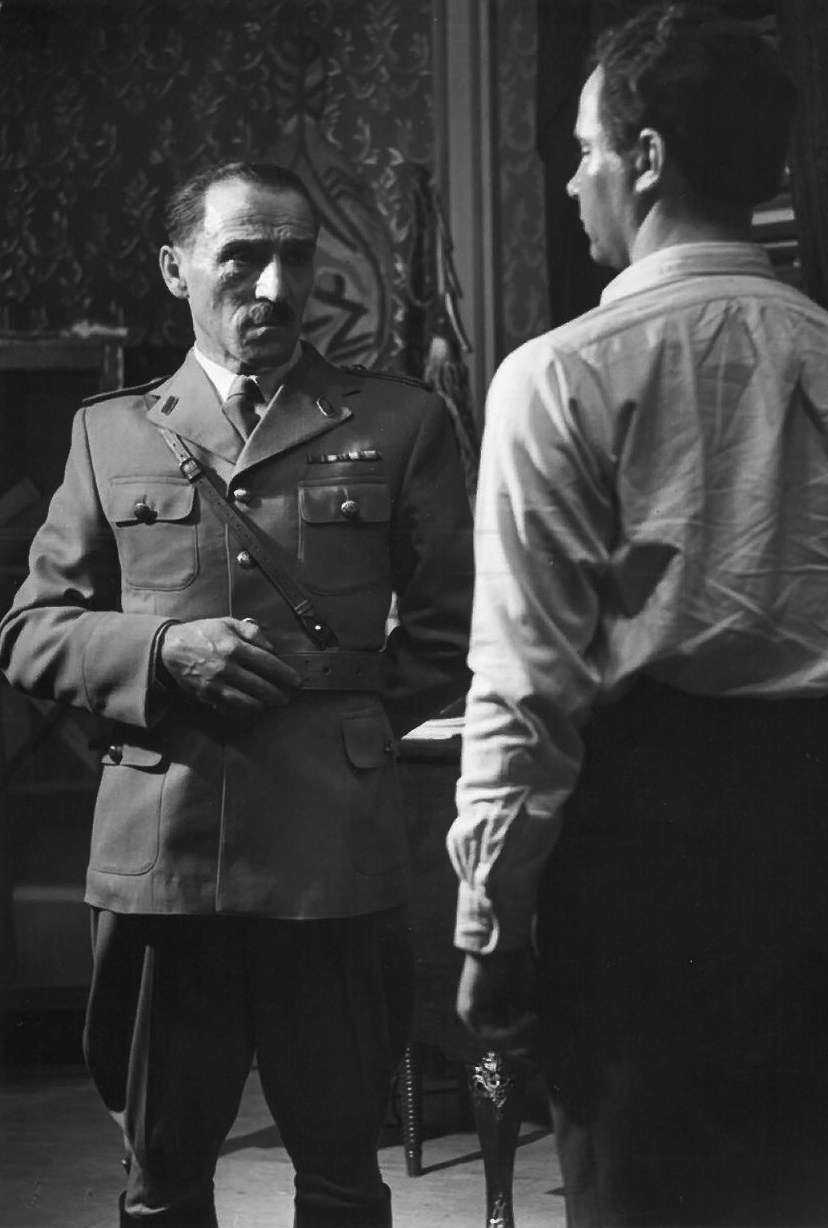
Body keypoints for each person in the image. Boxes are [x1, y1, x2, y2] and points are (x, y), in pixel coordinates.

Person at [447, 6, 828, 1227]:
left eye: (584, 152)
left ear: (646, 158)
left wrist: (490, 924)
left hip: (646, 862)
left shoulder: (559, 377)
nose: (573, 182)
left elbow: (526, 688)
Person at [0, 159, 473, 1227]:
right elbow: (31, 633)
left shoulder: (400, 423)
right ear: (178, 270)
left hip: (332, 855)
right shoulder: (111, 432)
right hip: (165, 859)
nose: (274, 285)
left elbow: (449, 636)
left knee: (344, 1181)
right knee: (163, 1184)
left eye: (295, 257)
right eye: (243, 257)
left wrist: (341, 731)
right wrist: (166, 654)